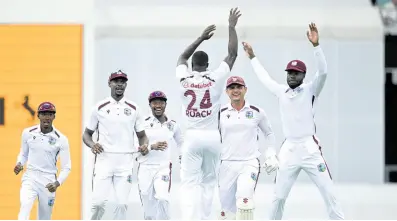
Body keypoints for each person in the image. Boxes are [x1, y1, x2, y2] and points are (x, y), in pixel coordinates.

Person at [242, 23, 344, 220]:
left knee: (329, 194)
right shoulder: (282, 91)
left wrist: (316, 46)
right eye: (289, 72)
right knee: (278, 197)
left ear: (303, 75)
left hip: (310, 149)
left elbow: (323, 72)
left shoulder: (311, 90)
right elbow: (264, 79)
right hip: (289, 150)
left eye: (295, 73)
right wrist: (253, 57)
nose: (291, 75)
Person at [175, 7, 241, 220]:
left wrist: (201, 38)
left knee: (189, 182)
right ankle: (204, 218)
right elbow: (232, 54)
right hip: (213, 136)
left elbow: (181, 56)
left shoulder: (184, 78)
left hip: (192, 136)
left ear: (193, 65)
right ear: (207, 65)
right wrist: (231, 26)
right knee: (208, 182)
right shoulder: (215, 78)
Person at [82, 70, 150, 220]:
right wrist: (93, 145)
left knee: (121, 204)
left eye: (122, 81)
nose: (119, 84)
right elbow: (86, 135)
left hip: (125, 163)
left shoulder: (134, 108)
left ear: (125, 85)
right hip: (104, 161)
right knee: (98, 204)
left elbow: (142, 136)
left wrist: (144, 145)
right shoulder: (99, 107)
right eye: (116, 81)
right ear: (109, 84)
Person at [218, 76, 278, 220]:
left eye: (239, 87)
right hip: (226, 164)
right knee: (226, 212)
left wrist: (271, 154)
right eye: (232, 88)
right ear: (226, 91)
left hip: (249, 163)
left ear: (245, 90)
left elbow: (269, 133)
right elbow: (213, 137)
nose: (236, 90)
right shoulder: (220, 113)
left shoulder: (257, 112)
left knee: (245, 204)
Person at [15, 102, 71, 220]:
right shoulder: (28, 133)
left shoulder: (61, 139)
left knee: (44, 218)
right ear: (38, 116)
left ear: (54, 117)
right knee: (24, 207)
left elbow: (66, 167)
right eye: (44, 114)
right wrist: (19, 163)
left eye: (50, 114)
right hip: (30, 176)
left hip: (48, 180)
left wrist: (57, 183)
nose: (47, 117)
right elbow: (24, 154)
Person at [136, 91, 184, 220]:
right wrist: (151, 146)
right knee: (148, 207)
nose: (158, 105)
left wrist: (182, 158)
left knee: (163, 198)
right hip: (145, 167)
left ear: (165, 104)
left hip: (163, 168)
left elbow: (181, 143)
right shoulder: (142, 123)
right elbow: (135, 145)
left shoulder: (172, 124)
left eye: (161, 102)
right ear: (150, 104)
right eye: (155, 102)